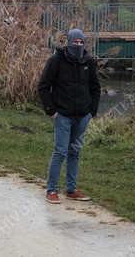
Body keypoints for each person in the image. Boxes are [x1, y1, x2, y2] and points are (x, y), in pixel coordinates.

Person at [38, 28, 100, 204]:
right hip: (63, 115)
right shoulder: (56, 60)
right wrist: (51, 110)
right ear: (68, 42)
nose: (78, 45)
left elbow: (95, 88)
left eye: (81, 42)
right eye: (75, 42)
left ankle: (71, 189)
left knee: (75, 152)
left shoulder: (89, 61)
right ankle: (52, 190)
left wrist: (91, 112)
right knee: (60, 151)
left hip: (82, 116)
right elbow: (43, 86)